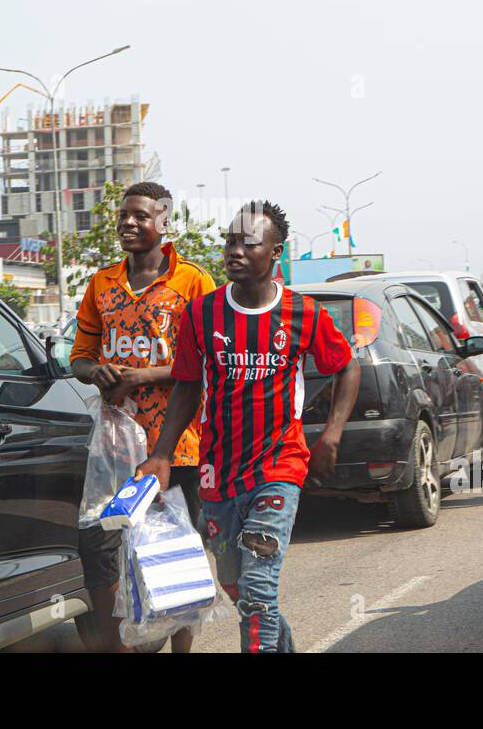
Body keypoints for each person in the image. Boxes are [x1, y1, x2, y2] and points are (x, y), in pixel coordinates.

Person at [137, 200, 362, 653]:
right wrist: (161, 453)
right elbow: (186, 387)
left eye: (248, 243)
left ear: (274, 252)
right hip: (217, 473)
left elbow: (346, 366)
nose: (234, 251)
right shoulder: (201, 315)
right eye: (230, 241)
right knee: (237, 587)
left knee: (258, 589)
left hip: (279, 466)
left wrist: (331, 434)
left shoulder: (304, 314)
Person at [70, 181, 216, 652]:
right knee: (100, 549)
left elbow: (207, 360)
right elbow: (79, 357)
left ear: (164, 222)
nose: (129, 224)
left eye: (140, 216)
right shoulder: (102, 283)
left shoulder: (193, 282)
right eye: (123, 217)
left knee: (176, 552)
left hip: (177, 445)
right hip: (114, 446)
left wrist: (141, 375)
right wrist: (98, 370)